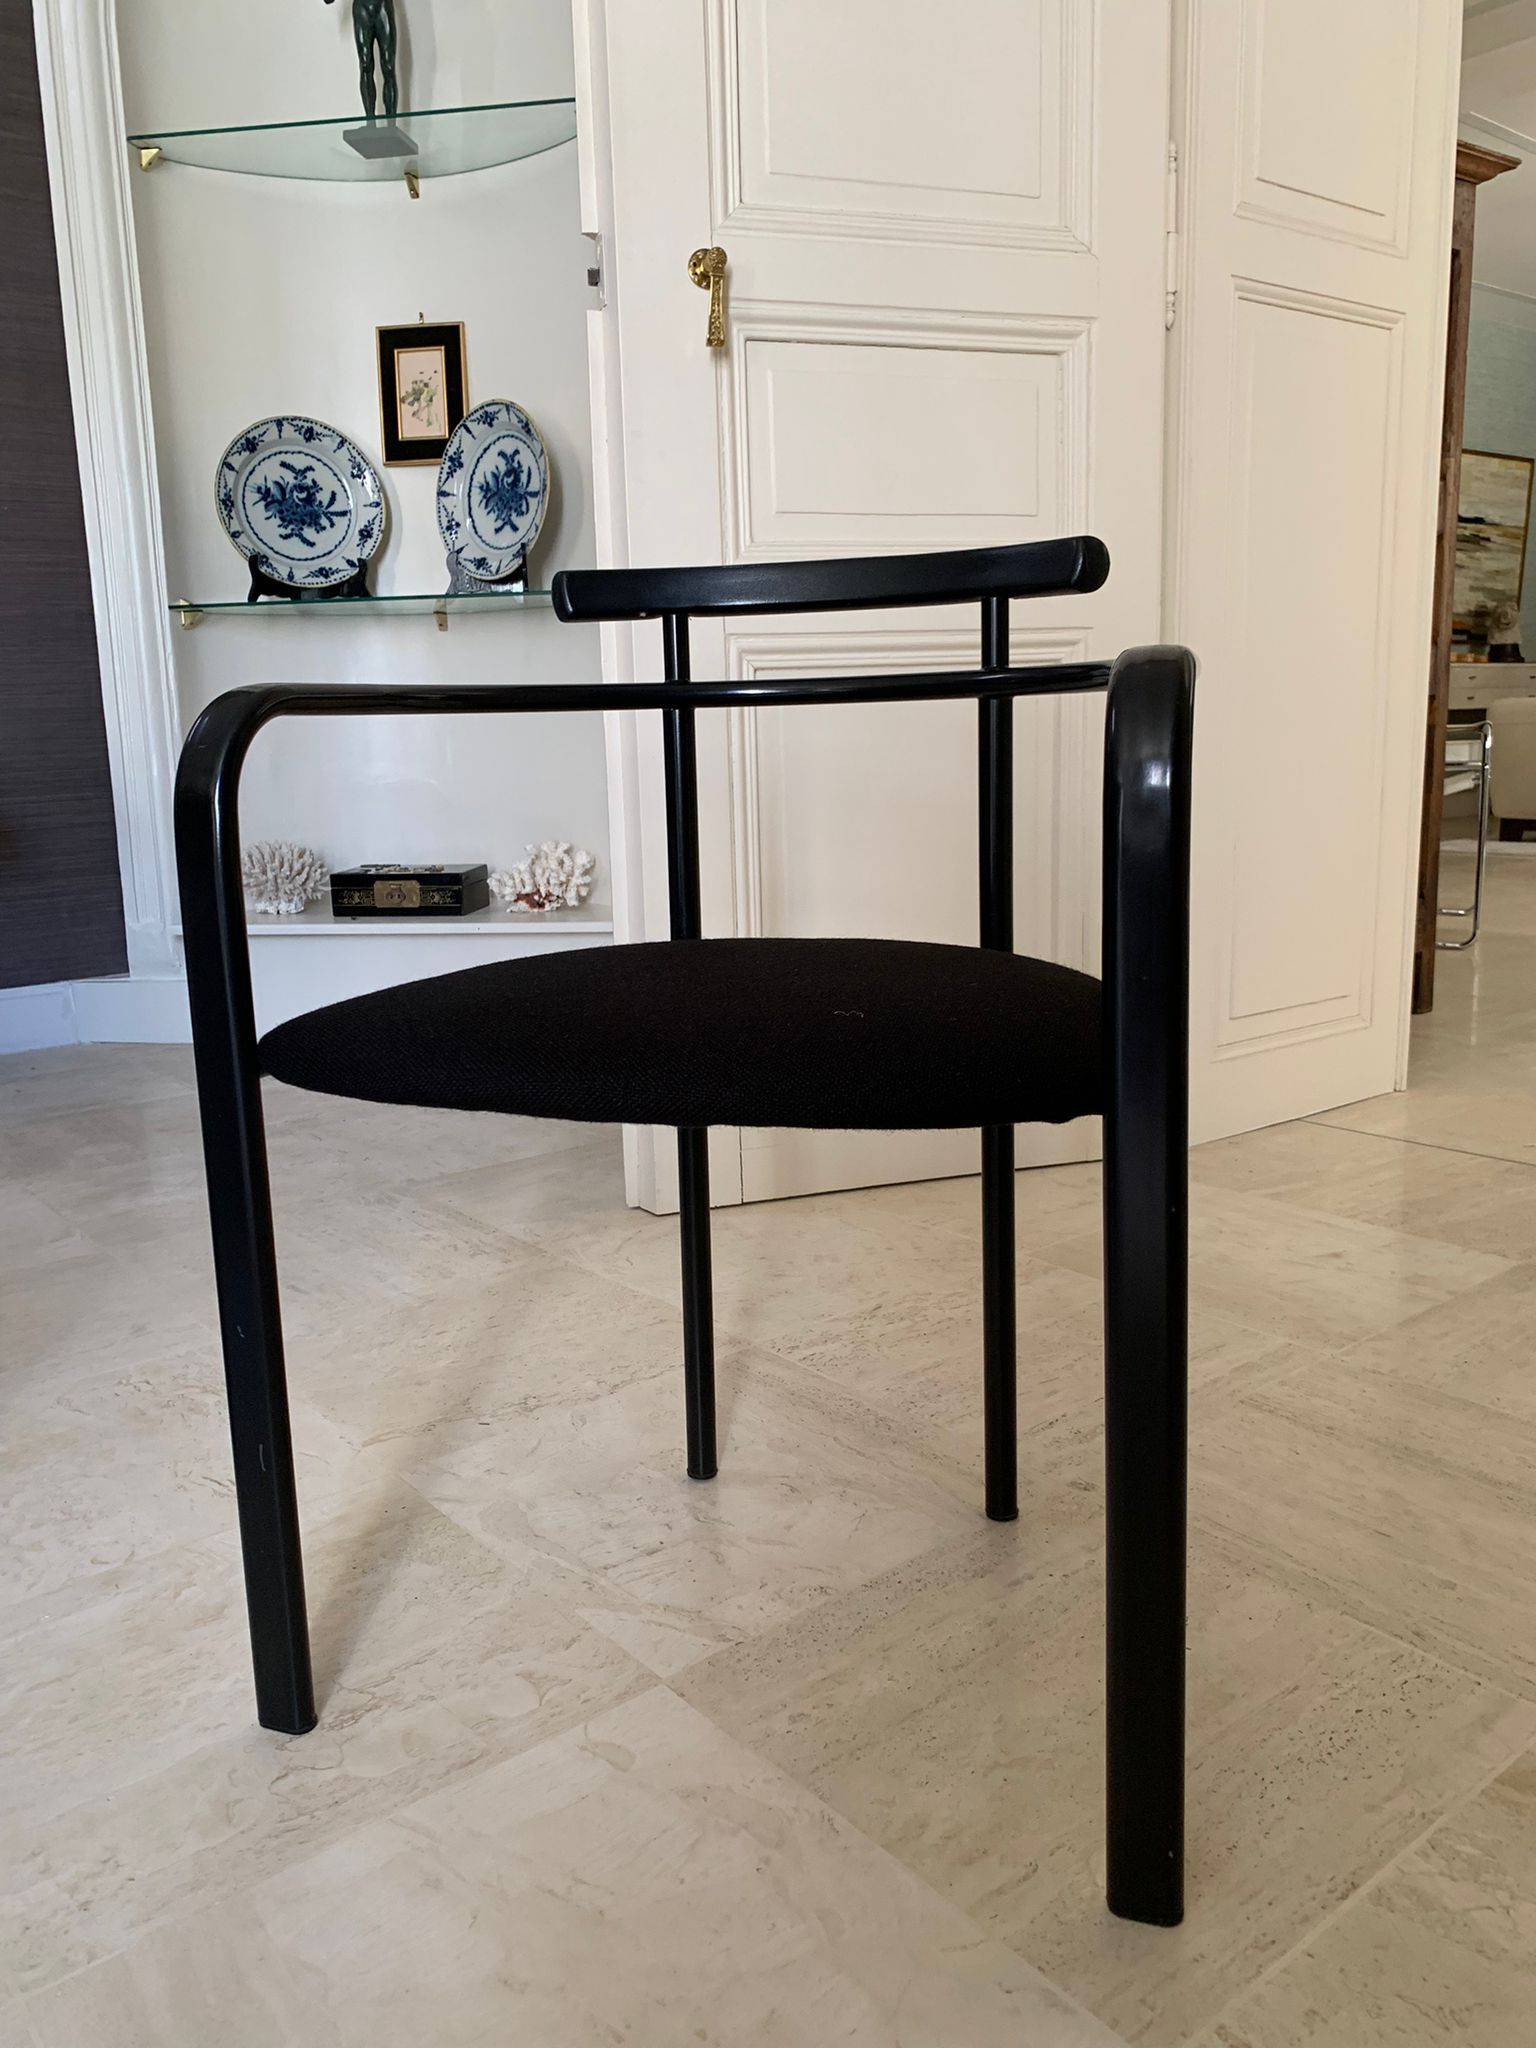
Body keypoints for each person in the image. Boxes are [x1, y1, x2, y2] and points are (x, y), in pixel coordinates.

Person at [324, 0, 400, 126]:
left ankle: (391, 124)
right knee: (365, 64)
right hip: (362, 9)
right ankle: (370, 120)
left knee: (388, 65)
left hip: (382, 5)